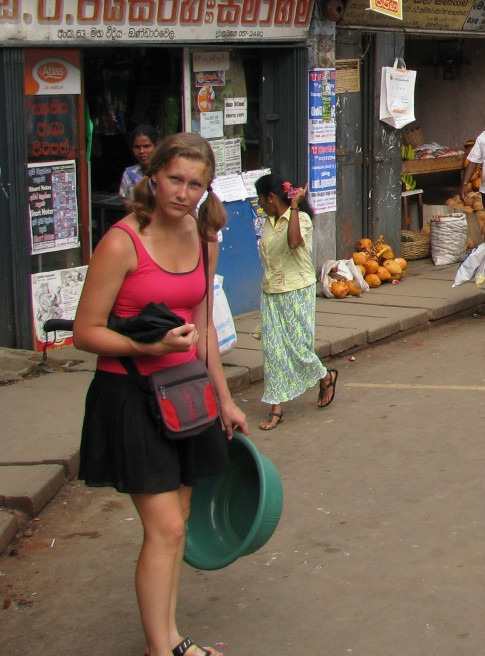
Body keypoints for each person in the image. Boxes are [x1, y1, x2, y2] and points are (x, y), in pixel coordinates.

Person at [73, 133, 248, 656]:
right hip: (131, 395)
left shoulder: (203, 237)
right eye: (175, 179)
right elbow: (85, 332)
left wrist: (227, 399)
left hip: (188, 396)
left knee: (178, 526)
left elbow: (205, 328)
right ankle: (162, 648)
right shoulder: (123, 241)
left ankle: (169, 637)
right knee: (167, 526)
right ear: (154, 176)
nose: (183, 191)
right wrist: (143, 346)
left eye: (195, 184)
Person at [253, 174, 336, 431]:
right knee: (274, 351)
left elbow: (293, 243)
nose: (259, 203)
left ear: (271, 197)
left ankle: (325, 376)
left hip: (297, 289)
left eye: (261, 198)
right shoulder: (266, 222)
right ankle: (276, 408)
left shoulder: (302, 219)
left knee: (299, 348)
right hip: (271, 292)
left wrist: (296, 206)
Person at [119, 125, 160, 198]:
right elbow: (127, 203)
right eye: (137, 147)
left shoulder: (165, 173)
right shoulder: (128, 174)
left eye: (146, 146)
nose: (141, 151)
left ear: (156, 146)